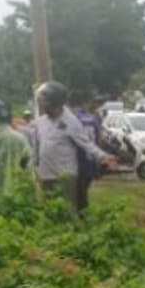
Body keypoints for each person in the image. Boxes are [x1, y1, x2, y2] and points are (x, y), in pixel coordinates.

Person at [33, 81, 116, 213]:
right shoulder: (41, 122)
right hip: (45, 176)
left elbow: (86, 144)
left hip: (65, 177)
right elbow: (37, 147)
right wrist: (35, 168)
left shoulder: (71, 121)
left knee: (66, 213)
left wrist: (103, 156)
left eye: (45, 101)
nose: (42, 105)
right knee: (47, 213)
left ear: (55, 102)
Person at [70, 98, 104, 210]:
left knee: (79, 194)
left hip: (78, 159)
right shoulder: (93, 119)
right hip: (91, 159)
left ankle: (82, 216)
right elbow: (99, 139)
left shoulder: (73, 118)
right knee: (84, 190)